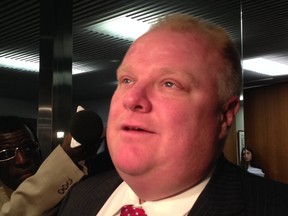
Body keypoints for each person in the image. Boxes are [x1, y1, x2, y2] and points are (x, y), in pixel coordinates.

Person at [57, 14, 288, 215]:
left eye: (169, 84)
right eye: (127, 80)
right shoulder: (79, 197)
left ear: (225, 115)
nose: (131, 99)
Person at [0, 116, 88, 215]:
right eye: (6, 154)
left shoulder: (71, 186)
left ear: (40, 150)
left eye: (28, 148)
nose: (22, 160)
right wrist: (67, 157)